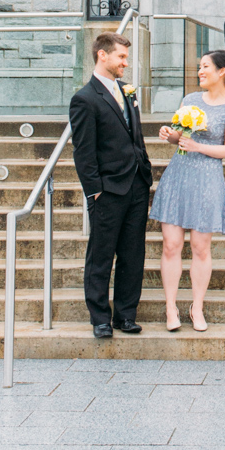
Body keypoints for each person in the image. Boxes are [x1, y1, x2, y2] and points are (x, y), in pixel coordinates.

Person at [149, 50, 225, 331]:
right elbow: (181, 137)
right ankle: (170, 308)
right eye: (199, 67)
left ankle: (197, 307)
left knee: (201, 248)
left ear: (221, 72)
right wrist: (171, 134)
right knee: (171, 245)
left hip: (207, 180)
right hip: (178, 175)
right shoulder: (190, 100)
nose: (200, 71)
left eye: (205, 67)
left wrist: (199, 146)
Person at [69, 31, 153, 339]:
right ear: (102, 55)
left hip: (136, 184)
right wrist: (94, 189)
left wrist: (144, 169)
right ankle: (100, 318)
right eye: (121, 57)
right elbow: (84, 151)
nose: (125, 63)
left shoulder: (126, 91)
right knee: (102, 254)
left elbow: (136, 136)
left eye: (126, 57)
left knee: (133, 253)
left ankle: (125, 315)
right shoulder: (84, 98)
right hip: (107, 189)